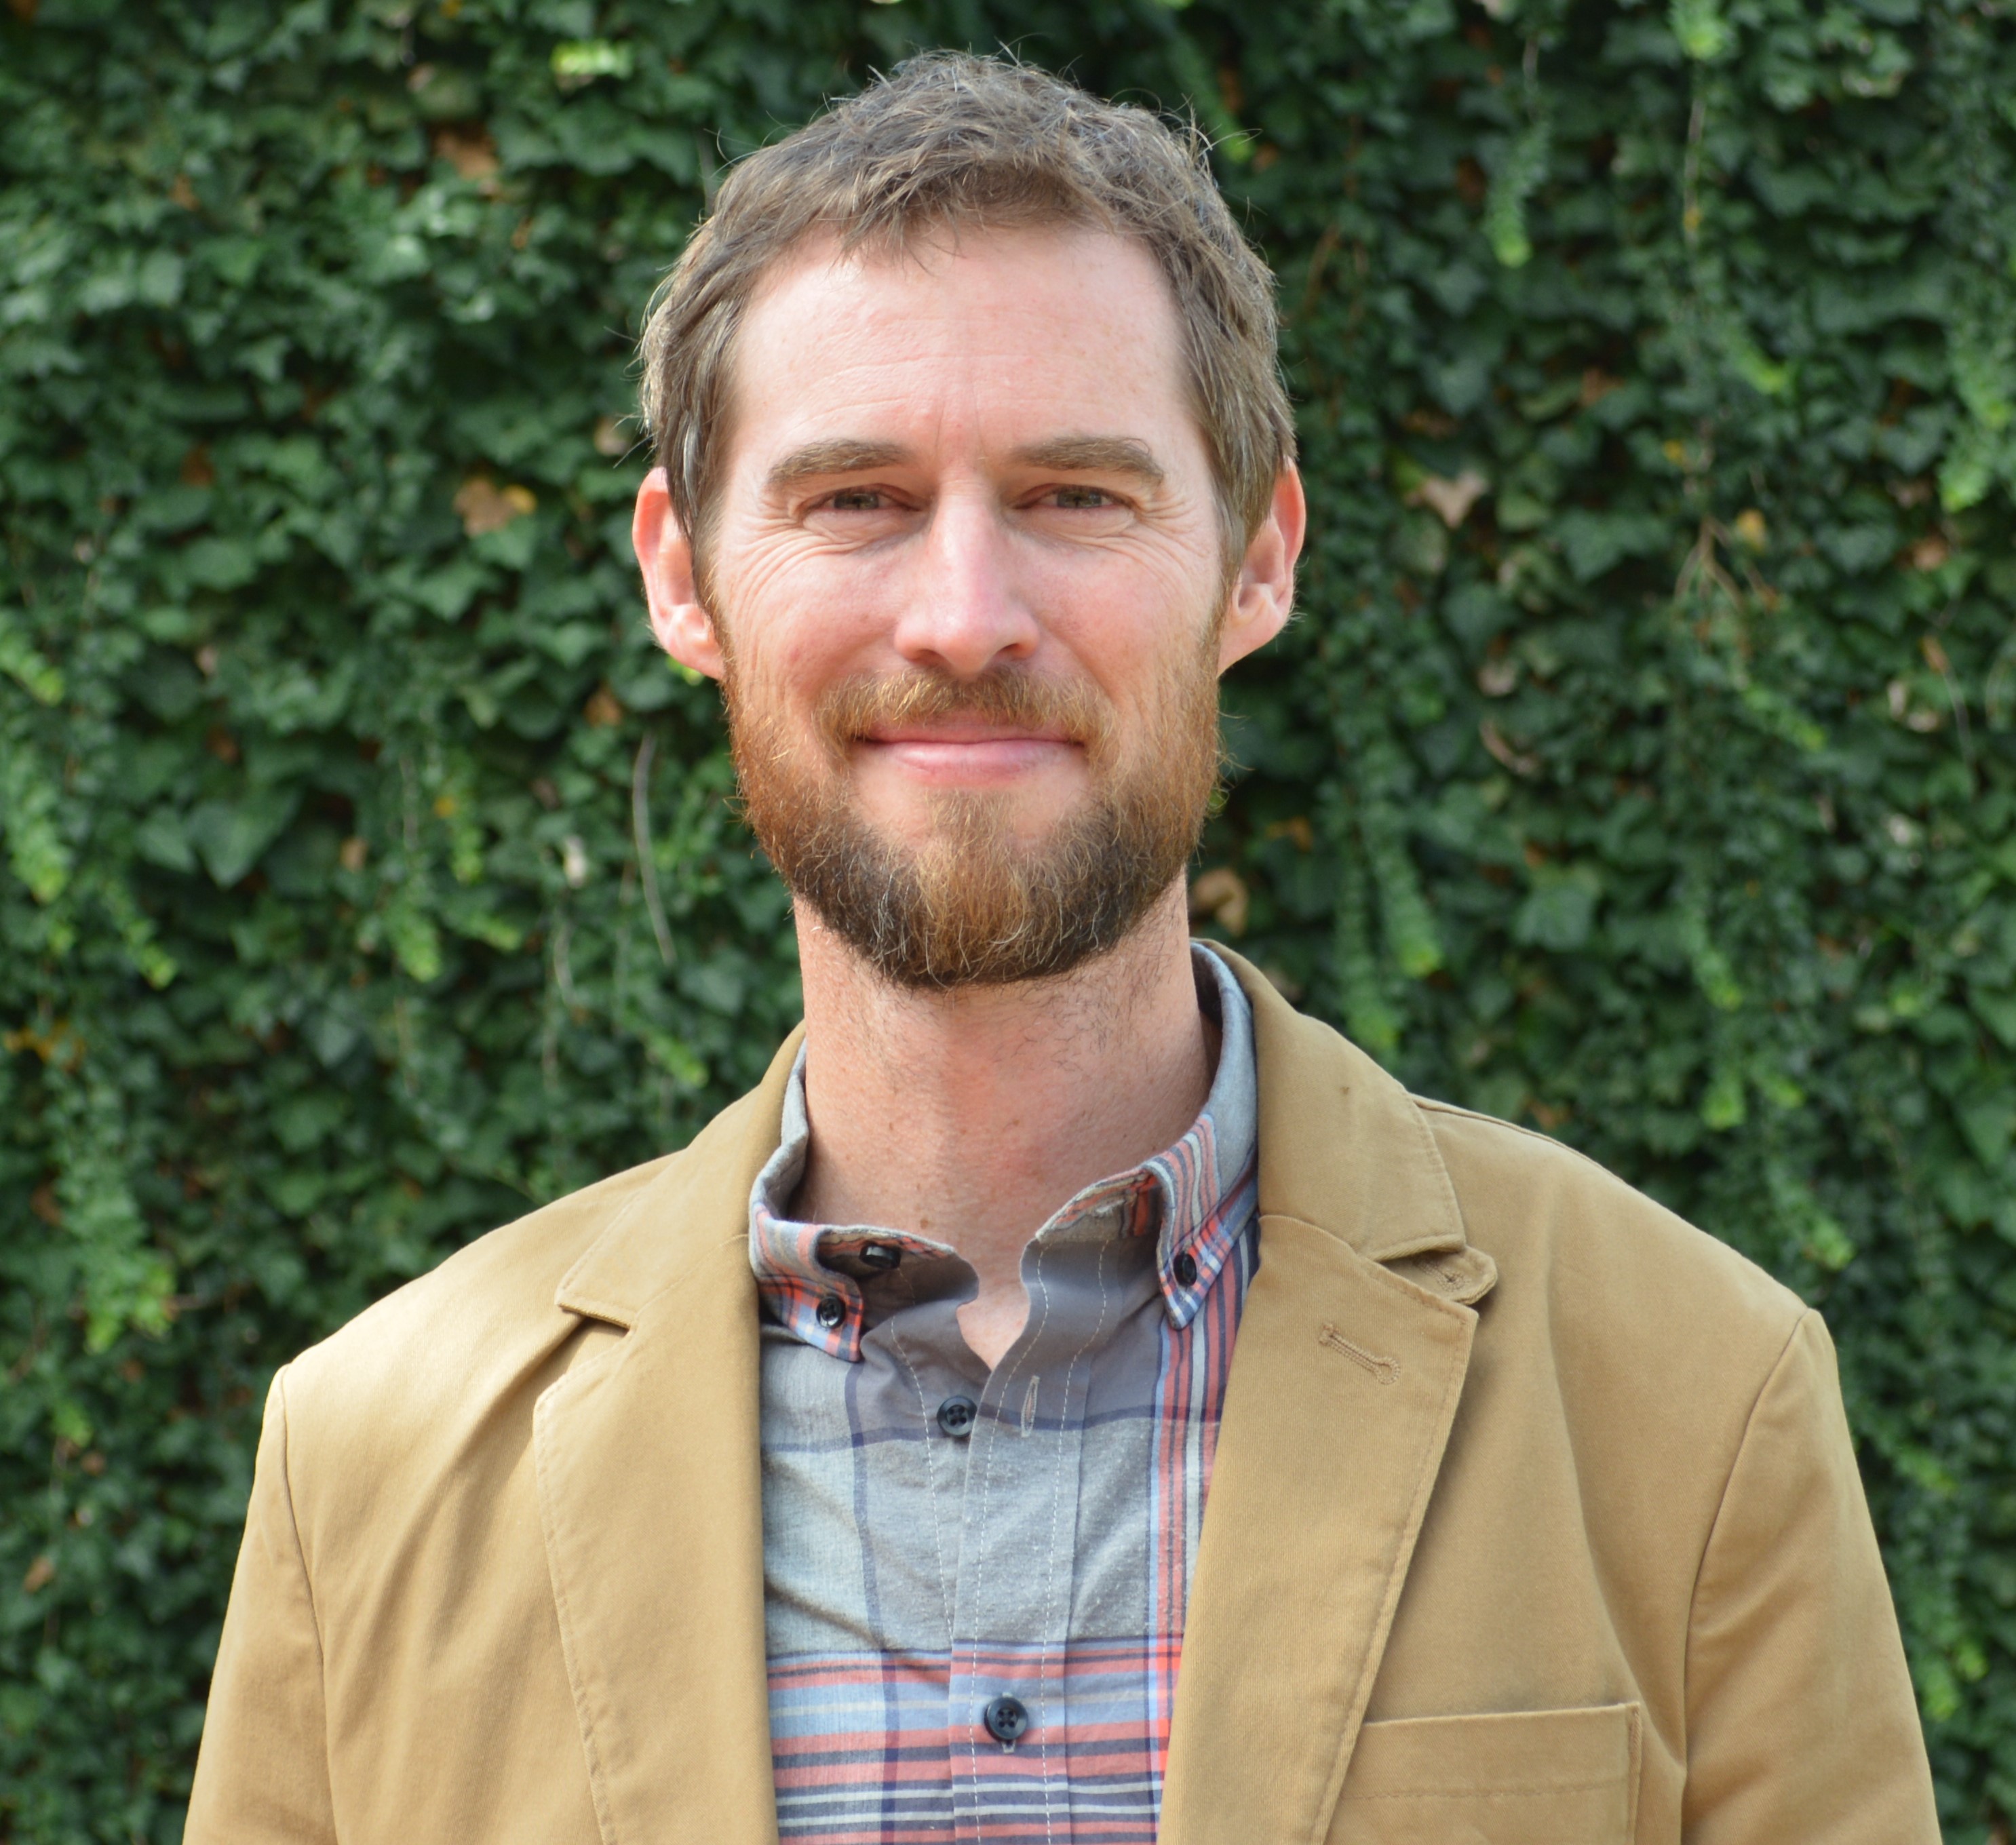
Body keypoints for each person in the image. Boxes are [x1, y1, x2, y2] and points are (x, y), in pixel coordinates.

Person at [185, 52, 1938, 1845]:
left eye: (1077, 497)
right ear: (680, 578)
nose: (961, 618)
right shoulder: (370, 1463)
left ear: (1257, 560)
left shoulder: (1689, 1393)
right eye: (853, 499)